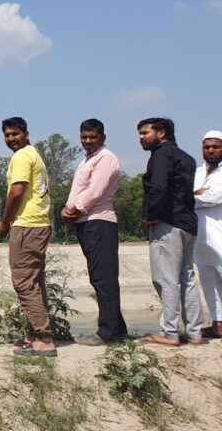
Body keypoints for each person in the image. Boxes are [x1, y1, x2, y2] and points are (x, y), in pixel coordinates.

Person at [61, 119, 128, 345]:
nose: (87, 141)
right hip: (87, 222)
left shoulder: (106, 158)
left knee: (103, 277)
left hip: (99, 222)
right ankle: (118, 329)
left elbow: (95, 191)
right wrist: (68, 210)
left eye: (92, 137)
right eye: (84, 137)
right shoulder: (87, 160)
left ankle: (108, 333)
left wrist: (72, 210)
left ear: (102, 138)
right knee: (100, 276)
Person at [138, 117, 203, 346]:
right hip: (188, 223)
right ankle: (194, 332)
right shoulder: (187, 158)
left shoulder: (161, 155)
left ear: (162, 133)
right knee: (187, 278)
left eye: (145, 132)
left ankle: (170, 333)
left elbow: (158, 187)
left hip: (168, 224)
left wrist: (151, 215)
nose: (141, 137)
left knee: (167, 279)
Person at [0, 117, 57, 357]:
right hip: (39, 224)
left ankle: (44, 338)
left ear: (26, 134)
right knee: (34, 282)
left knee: (23, 282)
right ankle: (35, 335)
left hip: (26, 225)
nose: (11, 138)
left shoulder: (22, 156)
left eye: (15, 134)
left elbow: (17, 191)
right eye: (7, 135)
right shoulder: (34, 154)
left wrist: (4, 222)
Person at [194, 130, 222, 338]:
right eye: (207, 147)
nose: (211, 150)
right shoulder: (195, 172)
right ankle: (217, 324)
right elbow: (183, 196)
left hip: (219, 232)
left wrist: (192, 197)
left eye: (215, 147)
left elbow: (213, 197)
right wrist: (196, 195)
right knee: (207, 280)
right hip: (199, 236)